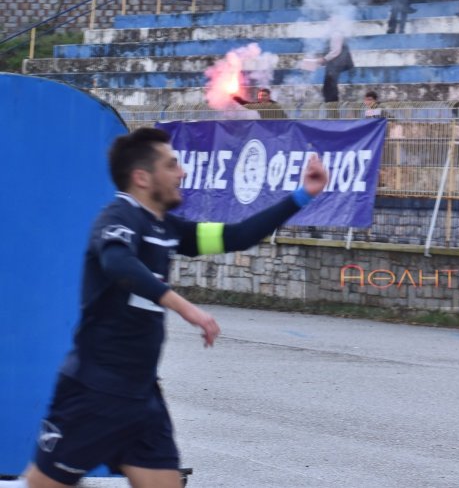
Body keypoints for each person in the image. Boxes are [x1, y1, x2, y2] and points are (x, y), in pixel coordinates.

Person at [14, 127, 329, 488]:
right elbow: (118, 264)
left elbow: (237, 235)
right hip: (93, 392)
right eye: (171, 165)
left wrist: (303, 195)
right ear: (142, 177)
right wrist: (185, 308)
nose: (182, 173)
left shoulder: (166, 228)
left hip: (142, 397)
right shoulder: (119, 217)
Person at [322, 38, 354, 103]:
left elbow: (336, 51)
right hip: (333, 67)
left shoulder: (336, 34)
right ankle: (332, 108)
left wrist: (324, 59)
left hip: (334, 66)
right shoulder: (333, 34)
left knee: (330, 90)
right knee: (328, 89)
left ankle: (332, 108)